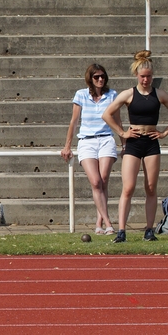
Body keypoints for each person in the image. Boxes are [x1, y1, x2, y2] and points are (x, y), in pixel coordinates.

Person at [102, 50, 168, 243]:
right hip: (134, 143)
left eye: (149, 76)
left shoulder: (159, 94)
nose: (146, 80)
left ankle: (149, 229)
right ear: (136, 75)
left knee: (151, 187)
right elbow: (107, 114)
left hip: (151, 143)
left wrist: (164, 132)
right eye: (142, 76)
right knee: (128, 187)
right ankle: (122, 231)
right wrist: (122, 133)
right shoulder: (129, 94)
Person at [61, 64, 118, 235]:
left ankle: (100, 222)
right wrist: (67, 145)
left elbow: (117, 120)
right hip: (87, 141)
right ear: (90, 78)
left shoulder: (112, 95)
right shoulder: (81, 95)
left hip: (106, 139)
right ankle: (108, 222)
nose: (100, 79)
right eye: (96, 77)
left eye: (102, 76)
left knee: (104, 179)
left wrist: (124, 142)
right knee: (95, 181)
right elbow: (74, 121)